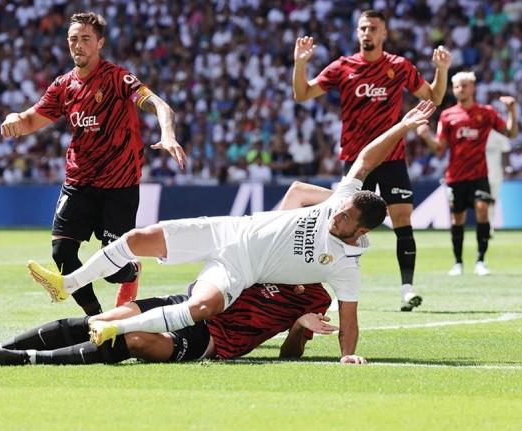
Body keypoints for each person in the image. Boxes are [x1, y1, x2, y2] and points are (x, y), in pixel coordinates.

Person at [27, 101, 436, 363]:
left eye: (344, 218)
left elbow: (349, 317)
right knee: (137, 239)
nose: (336, 215)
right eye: (340, 209)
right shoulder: (341, 200)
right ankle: (67, 284)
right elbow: (364, 160)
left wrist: (348, 354)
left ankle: (117, 327)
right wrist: (402, 125)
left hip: (241, 268)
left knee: (202, 306)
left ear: (359, 230)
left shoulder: (345, 266)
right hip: (227, 229)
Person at [0, 12, 187, 315]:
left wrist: (167, 134)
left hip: (119, 185)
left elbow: (159, 105)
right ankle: (97, 320)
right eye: (73, 39)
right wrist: (14, 118)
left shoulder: (117, 78)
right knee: (62, 253)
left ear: (99, 43)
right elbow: (30, 119)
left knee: (115, 271)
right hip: (79, 182)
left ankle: (132, 271)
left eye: (86, 39)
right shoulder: (63, 86)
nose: (78, 45)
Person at [292, 10, 452, 311]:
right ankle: (334, 292)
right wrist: (300, 64)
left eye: (373, 28)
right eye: (363, 28)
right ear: (357, 32)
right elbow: (302, 94)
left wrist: (441, 70)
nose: (367, 33)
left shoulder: (399, 66)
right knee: (343, 225)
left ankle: (407, 290)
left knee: (403, 219)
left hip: (392, 157)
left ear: (384, 33)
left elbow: (434, 96)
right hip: (356, 161)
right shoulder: (343, 66)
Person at [0, 282, 341, 366]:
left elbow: (290, 354)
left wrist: (298, 326)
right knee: (102, 320)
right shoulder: (272, 253)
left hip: (215, 338)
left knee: (136, 340)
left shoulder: (317, 298)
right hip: (188, 304)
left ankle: (26, 358)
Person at [416, 71, 518, 276]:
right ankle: (458, 263)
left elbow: (510, 133)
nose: (460, 89)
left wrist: (512, 112)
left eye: (464, 85)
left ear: (473, 88)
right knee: (457, 219)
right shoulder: (447, 115)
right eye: (457, 86)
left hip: (480, 175)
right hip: (456, 176)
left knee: (482, 210)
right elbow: (439, 148)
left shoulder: (487, 113)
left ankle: (481, 260)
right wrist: (426, 137)